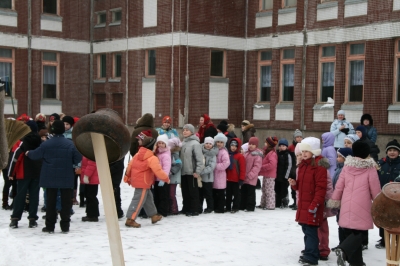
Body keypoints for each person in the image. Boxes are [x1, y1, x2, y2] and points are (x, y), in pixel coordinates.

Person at [327, 141, 381, 266]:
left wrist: (335, 200)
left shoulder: (347, 166)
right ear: (367, 153)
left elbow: (339, 186)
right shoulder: (370, 168)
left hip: (346, 204)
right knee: (360, 234)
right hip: (362, 206)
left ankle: (357, 262)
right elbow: (375, 188)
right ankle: (344, 250)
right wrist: (378, 202)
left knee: (351, 233)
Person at [26, 120, 82, 234]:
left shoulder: (46, 143)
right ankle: (65, 225)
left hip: (49, 176)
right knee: (66, 202)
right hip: (66, 176)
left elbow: (35, 154)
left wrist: (27, 153)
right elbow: (78, 158)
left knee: (50, 202)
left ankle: (50, 226)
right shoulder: (70, 144)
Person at [288, 137, 327, 266]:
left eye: (306, 151)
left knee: (311, 231)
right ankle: (310, 251)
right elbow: (301, 186)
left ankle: (311, 256)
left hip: (312, 205)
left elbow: (321, 189)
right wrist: (294, 184)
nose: (303, 154)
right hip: (304, 204)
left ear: (314, 152)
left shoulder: (319, 167)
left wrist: (315, 204)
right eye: (302, 151)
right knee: (306, 229)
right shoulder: (304, 166)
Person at [123, 132, 170, 228]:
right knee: (138, 200)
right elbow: (158, 171)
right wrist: (166, 178)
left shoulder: (138, 154)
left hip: (139, 181)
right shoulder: (152, 158)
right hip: (144, 182)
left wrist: (127, 176)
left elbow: (130, 165)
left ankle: (153, 216)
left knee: (148, 199)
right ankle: (130, 219)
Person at [8, 121, 42, 228]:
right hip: (37, 172)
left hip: (23, 172)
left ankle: (15, 219)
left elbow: (16, 158)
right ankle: (32, 218)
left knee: (20, 196)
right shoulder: (40, 142)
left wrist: (11, 173)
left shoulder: (23, 142)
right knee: (34, 196)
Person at [375, 139, 400, 249]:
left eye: (395, 150)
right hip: (384, 196)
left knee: (396, 217)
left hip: (397, 197)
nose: (392, 152)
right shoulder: (381, 163)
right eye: (390, 150)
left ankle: (398, 239)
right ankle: (384, 239)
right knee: (384, 217)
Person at [331, 148, 353, 253]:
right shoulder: (338, 168)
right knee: (339, 222)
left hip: (345, 200)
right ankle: (341, 244)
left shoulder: (347, 170)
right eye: (337, 156)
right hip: (338, 200)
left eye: (340, 157)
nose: (337, 158)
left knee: (344, 224)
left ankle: (346, 245)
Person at [180, 124, 204, 216]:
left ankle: (194, 209)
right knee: (185, 191)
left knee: (193, 192)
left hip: (192, 172)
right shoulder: (182, 143)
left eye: (187, 130)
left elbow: (199, 159)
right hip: (183, 172)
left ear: (192, 131)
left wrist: (197, 171)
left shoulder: (195, 144)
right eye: (184, 130)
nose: (185, 131)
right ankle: (186, 208)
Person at [240, 137, 262, 212]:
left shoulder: (257, 155)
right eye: (250, 144)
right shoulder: (246, 153)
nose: (251, 146)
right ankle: (243, 205)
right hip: (244, 177)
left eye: (253, 144)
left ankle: (250, 206)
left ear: (256, 145)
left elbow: (257, 166)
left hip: (251, 178)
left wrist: (250, 175)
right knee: (244, 192)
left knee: (250, 193)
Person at [153, 135, 171, 217]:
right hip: (156, 179)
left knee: (163, 196)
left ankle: (163, 211)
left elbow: (166, 168)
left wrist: (163, 178)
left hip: (162, 179)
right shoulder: (157, 153)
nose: (160, 144)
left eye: (162, 143)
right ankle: (157, 210)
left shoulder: (166, 155)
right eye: (159, 143)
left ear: (165, 144)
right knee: (156, 195)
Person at [257, 136, 278, 210]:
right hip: (267, 174)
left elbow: (272, 164)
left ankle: (270, 205)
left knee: (269, 190)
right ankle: (263, 204)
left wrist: (262, 167)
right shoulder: (267, 152)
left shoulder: (272, 153)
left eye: (266, 142)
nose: (264, 143)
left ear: (269, 144)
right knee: (264, 189)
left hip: (270, 175)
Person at [225, 138, 245, 213]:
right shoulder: (228, 155)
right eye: (232, 145)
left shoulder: (240, 156)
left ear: (238, 147)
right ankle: (227, 207)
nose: (233, 147)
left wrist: (241, 179)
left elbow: (242, 169)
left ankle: (235, 207)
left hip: (236, 179)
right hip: (228, 179)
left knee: (236, 195)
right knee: (228, 194)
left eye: (235, 146)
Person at [212, 133, 230, 214]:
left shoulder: (224, 152)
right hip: (213, 175)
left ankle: (221, 207)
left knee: (221, 193)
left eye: (221, 142)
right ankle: (215, 207)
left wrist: (215, 166)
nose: (219, 144)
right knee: (214, 193)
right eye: (218, 142)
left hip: (220, 175)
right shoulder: (214, 150)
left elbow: (226, 163)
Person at [199, 137, 218, 214]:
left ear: (212, 145)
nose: (208, 145)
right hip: (200, 178)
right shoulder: (200, 152)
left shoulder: (213, 155)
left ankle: (210, 207)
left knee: (208, 194)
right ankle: (199, 207)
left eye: (210, 144)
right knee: (200, 194)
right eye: (206, 143)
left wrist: (201, 172)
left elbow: (211, 166)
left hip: (208, 178)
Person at [80, 156, 100, 222]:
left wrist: (86, 175)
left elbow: (92, 164)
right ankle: (90, 214)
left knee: (91, 197)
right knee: (89, 196)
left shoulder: (90, 153)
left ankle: (93, 215)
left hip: (91, 179)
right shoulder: (88, 152)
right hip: (90, 178)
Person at [275, 138, 292, 208]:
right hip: (277, 176)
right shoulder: (277, 154)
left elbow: (289, 165)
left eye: (283, 146)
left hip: (284, 177)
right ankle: (277, 202)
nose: (281, 147)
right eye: (280, 146)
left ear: (286, 147)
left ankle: (284, 202)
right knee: (277, 189)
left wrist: (286, 176)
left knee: (284, 190)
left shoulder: (287, 155)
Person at [167, 137, 182, 215]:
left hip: (173, 177)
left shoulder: (175, 155)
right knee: (169, 193)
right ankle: (170, 208)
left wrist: (171, 171)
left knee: (172, 194)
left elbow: (179, 164)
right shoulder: (168, 154)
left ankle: (174, 209)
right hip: (168, 177)